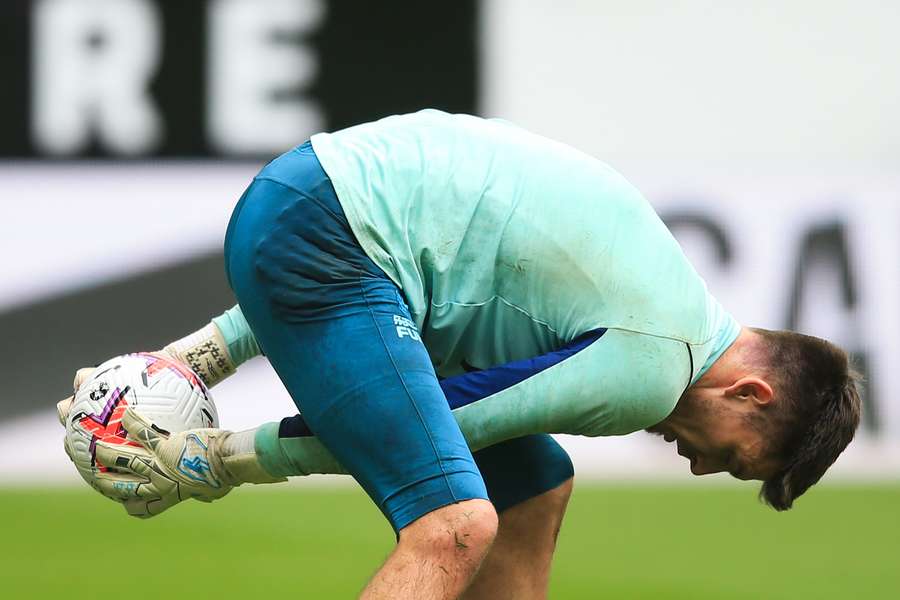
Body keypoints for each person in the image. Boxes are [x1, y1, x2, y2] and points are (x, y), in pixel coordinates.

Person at [58, 110, 861, 600]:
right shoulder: (655, 368)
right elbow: (442, 417)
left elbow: (417, 262)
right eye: (737, 462)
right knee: (454, 524)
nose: (699, 467)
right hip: (322, 233)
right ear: (752, 395)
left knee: (534, 487)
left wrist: (196, 358)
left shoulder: (673, 305)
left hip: (309, 207)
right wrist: (224, 459)